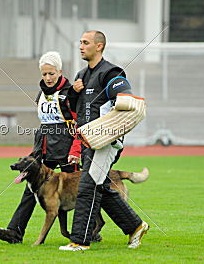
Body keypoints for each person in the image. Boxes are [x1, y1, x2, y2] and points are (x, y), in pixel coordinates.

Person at [59, 31, 149, 251]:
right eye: (80, 42)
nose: (81, 46)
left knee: (88, 186)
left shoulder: (110, 73)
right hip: (88, 141)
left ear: (99, 46)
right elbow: (70, 109)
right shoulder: (81, 75)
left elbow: (126, 97)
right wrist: (72, 92)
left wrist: (120, 106)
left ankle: (80, 241)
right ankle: (135, 226)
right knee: (101, 187)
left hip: (106, 143)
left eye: (86, 42)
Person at [0, 51, 81, 243]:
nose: (47, 78)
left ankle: (84, 232)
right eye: (44, 74)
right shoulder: (40, 94)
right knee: (30, 189)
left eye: (51, 73)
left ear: (60, 71)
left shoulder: (70, 93)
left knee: (77, 189)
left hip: (66, 148)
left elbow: (78, 124)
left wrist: (75, 150)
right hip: (43, 146)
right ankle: (14, 232)